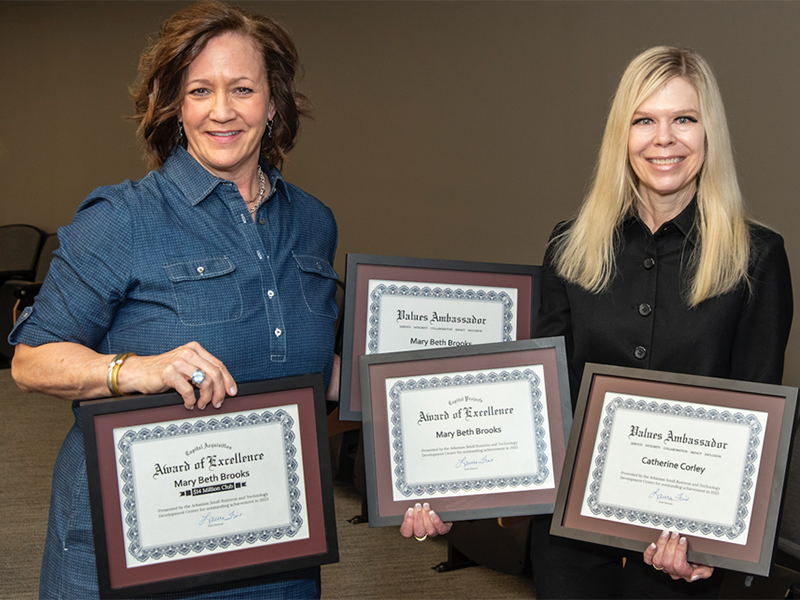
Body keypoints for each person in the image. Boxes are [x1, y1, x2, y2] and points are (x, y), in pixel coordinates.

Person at [402, 46, 793, 599]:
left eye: (684, 118)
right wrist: (448, 485)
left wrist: (714, 546)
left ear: (710, 134)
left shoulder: (756, 258)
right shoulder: (571, 246)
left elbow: (757, 417)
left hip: (683, 539)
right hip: (573, 534)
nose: (664, 139)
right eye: (644, 121)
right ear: (622, 134)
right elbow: (539, 401)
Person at [9, 2, 339, 598]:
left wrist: (417, 434)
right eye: (199, 90)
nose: (222, 111)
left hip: (271, 555)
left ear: (273, 102)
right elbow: (31, 360)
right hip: (132, 551)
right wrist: (140, 370)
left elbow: (308, 368)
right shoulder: (123, 218)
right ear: (174, 106)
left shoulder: (314, 223)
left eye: (242, 88)